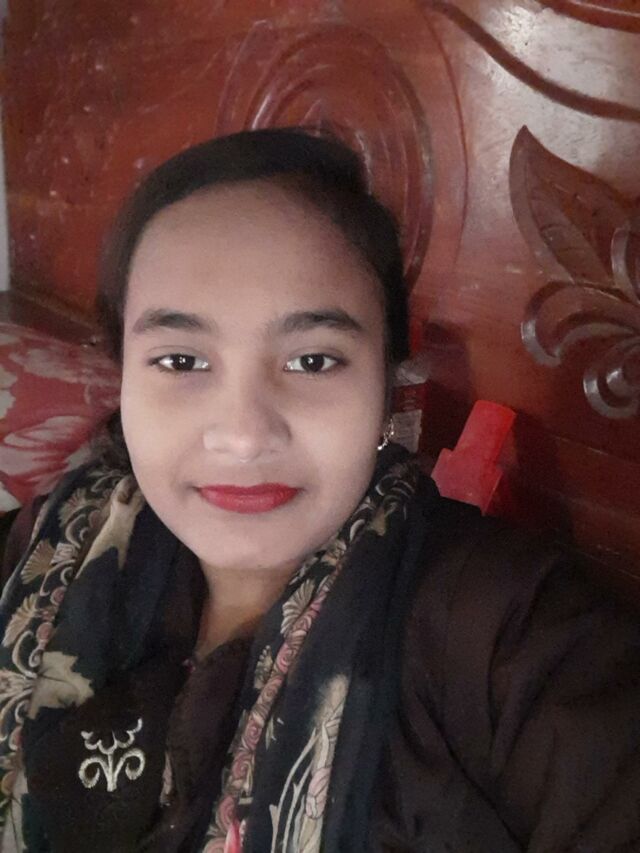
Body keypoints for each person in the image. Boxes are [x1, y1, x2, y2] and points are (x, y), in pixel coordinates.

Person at [0, 128, 638, 853]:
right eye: (179, 360)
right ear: (123, 377)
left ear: (389, 383)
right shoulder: (49, 546)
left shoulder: (508, 635)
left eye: (311, 360)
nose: (244, 436)